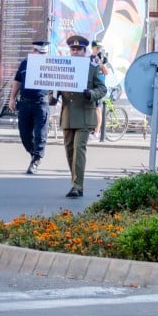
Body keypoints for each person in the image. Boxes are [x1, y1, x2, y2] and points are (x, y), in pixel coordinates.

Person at [51, 35, 107, 198]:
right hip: (68, 115)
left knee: (79, 150)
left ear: (84, 51)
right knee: (69, 151)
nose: (75, 52)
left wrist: (90, 94)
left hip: (84, 114)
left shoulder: (92, 67)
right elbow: (53, 88)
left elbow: (102, 89)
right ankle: (75, 181)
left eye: (78, 50)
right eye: (73, 49)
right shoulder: (63, 67)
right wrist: (53, 97)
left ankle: (77, 186)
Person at [8, 40, 51, 174]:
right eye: (37, 52)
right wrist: (12, 98)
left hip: (41, 103)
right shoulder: (25, 63)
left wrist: (55, 96)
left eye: (43, 53)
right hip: (25, 103)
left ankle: (36, 160)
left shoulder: (51, 65)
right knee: (24, 134)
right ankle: (34, 153)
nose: (39, 54)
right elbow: (17, 81)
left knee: (40, 134)